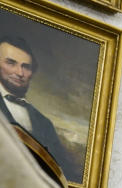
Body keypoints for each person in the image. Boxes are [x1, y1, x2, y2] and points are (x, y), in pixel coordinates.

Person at [0, 35, 78, 180]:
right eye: (11, 63)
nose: (19, 73)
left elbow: (61, 174)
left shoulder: (45, 123)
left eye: (26, 67)